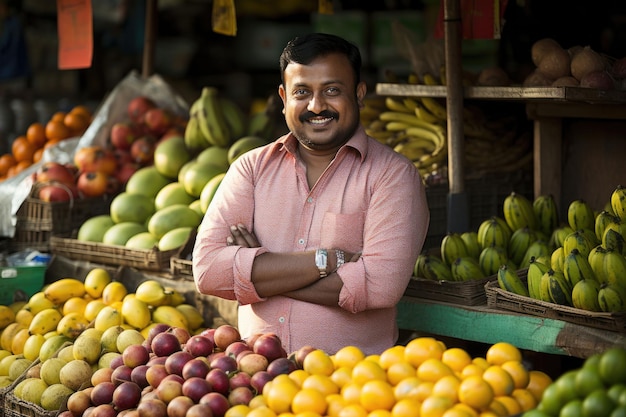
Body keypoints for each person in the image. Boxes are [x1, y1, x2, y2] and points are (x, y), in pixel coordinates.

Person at [192, 32, 429, 355]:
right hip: (256, 379)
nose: (316, 106)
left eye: (332, 90)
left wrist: (257, 273)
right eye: (302, 92)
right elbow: (207, 271)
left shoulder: (393, 176)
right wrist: (331, 260)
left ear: (359, 94)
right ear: (283, 97)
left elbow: (380, 287)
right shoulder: (250, 169)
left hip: (350, 386)